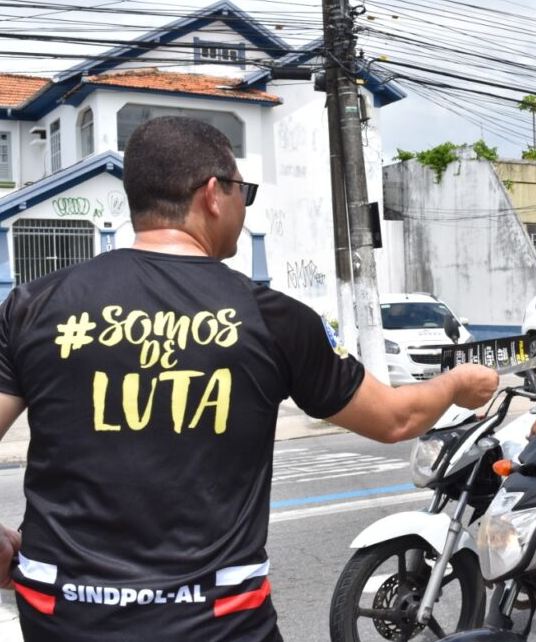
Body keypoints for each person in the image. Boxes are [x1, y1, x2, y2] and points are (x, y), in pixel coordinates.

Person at [0, 116, 498, 641]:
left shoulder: (34, 307)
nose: (244, 206)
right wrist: (459, 384)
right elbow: (396, 419)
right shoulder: (272, 318)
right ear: (214, 194)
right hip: (217, 623)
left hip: (63, 615)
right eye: (245, 191)